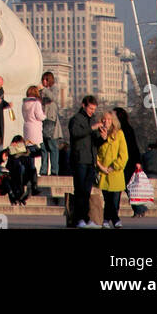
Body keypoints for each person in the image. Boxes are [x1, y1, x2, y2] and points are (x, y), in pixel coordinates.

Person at [69, 95, 107, 228]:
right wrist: (92, 128)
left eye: (94, 109)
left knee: (86, 191)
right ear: (83, 105)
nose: (92, 111)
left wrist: (102, 138)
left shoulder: (92, 121)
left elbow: (95, 142)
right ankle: (79, 219)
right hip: (79, 159)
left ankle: (86, 218)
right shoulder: (76, 119)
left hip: (91, 160)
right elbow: (75, 134)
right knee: (80, 190)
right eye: (90, 108)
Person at [96, 109, 128, 228]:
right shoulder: (98, 134)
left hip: (116, 172)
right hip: (103, 172)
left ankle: (110, 218)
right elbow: (96, 153)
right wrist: (100, 166)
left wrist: (114, 166)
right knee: (107, 199)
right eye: (104, 119)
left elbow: (124, 154)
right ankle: (112, 219)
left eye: (109, 119)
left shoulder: (119, 134)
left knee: (114, 200)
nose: (106, 121)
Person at [21, 84, 45, 188]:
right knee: (37, 151)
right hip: (35, 128)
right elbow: (39, 116)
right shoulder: (36, 103)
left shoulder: (24, 103)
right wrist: (45, 116)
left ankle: (29, 170)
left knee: (29, 151)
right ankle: (35, 172)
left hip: (27, 127)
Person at [40, 72, 61, 176]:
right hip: (42, 120)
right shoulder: (41, 91)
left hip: (51, 121)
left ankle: (54, 170)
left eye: (46, 80)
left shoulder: (54, 89)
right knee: (43, 148)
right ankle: (43, 170)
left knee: (52, 146)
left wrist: (44, 90)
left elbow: (53, 98)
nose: (44, 82)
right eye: (43, 79)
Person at [114, 105, 141, 185]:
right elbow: (134, 147)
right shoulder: (129, 129)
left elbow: (133, 146)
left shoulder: (122, 130)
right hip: (129, 161)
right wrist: (138, 161)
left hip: (125, 162)